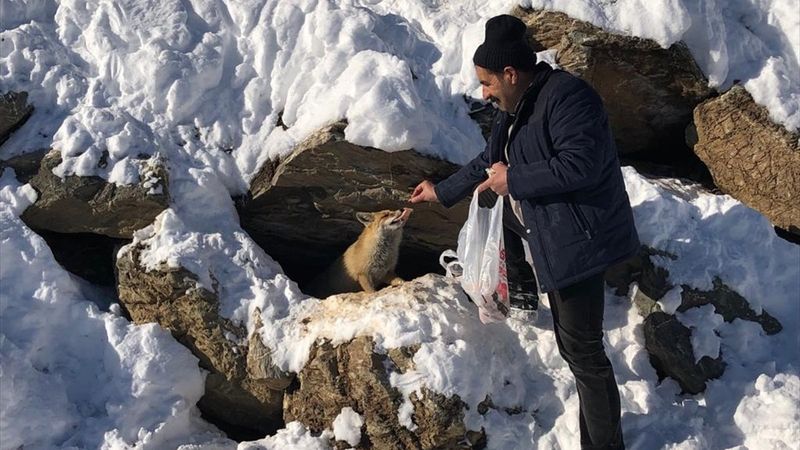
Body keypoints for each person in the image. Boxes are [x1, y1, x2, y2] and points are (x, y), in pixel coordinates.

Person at [409, 14, 640, 450]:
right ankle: (522, 292)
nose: (484, 93)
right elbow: (488, 159)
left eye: (487, 83)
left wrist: (513, 180)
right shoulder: (516, 107)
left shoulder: (570, 98)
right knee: (495, 212)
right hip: (548, 223)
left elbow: (580, 165)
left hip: (580, 240)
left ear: (510, 74)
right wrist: (442, 192)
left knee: (584, 356)